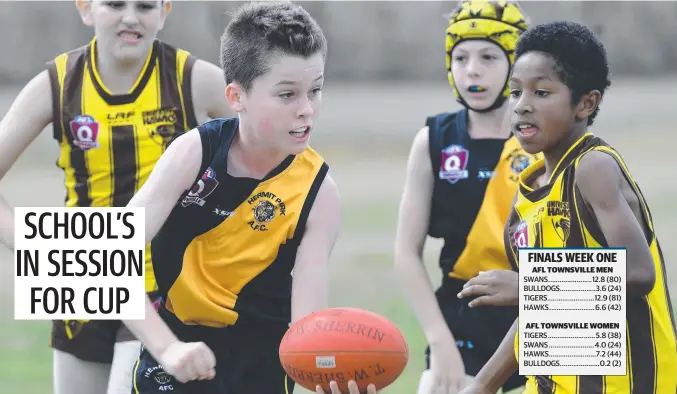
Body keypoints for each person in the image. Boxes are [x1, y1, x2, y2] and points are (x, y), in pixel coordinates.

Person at [120, 3, 372, 394]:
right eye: (287, 94)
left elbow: (307, 329)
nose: (307, 110)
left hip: (262, 374)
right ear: (236, 96)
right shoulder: (194, 153)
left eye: (316, 91)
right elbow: (101, 260)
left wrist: (327, 376)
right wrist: (167, 348)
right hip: (174, 362)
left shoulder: (318, 194)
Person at [0, 1, 232, 393]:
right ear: (86, 9)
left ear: (164, 11)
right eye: (114, 4)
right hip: (78, 278)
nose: (130, 16)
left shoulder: (194, 79)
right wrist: (34, 247)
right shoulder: (57, 83)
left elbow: (271, 154)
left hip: (160, 283)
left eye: (145, 6)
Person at [459, 20, 677, 394]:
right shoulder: (528, 189)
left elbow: (640, 274)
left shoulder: (593, 167)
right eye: (515, 93)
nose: (523, 105)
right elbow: (544, 313)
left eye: (541, 93)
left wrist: (529, 286)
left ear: (585, 103)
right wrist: (480, 386)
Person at [394, 1, 537, 393]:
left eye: (489, 56)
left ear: (517, 63)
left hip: (546, 313)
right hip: (463, 321)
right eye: (461, 57)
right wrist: (439, 344)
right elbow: (406, 252)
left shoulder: (546, 140)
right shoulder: (434, 140)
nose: (472, 69)